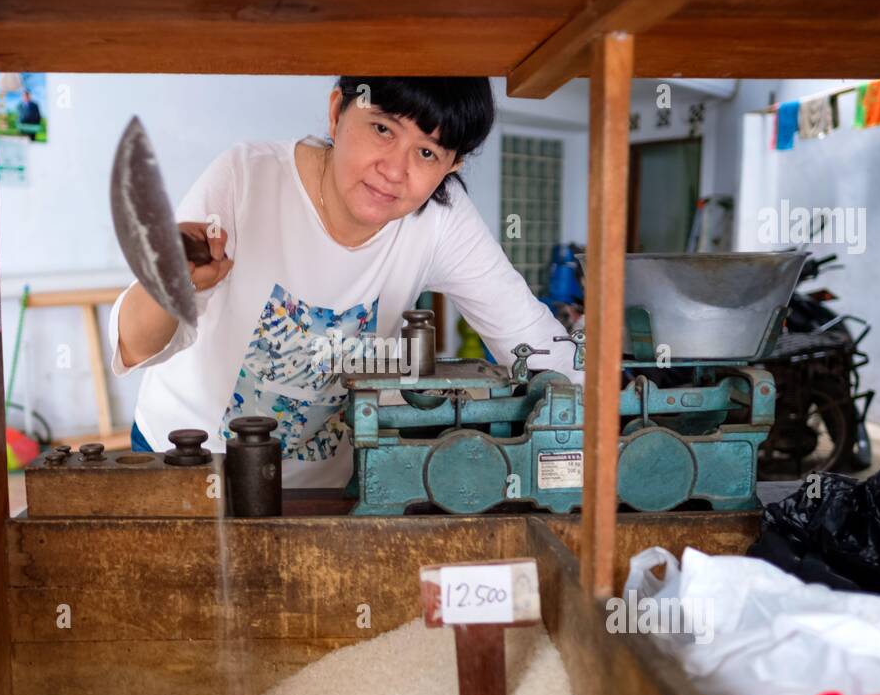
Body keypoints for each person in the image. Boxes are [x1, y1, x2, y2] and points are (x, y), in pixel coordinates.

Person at [109, 76, 582, 488]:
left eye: (426, 152)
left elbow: (540, 348)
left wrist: (618, 412)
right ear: (337, 112)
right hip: (188, 461)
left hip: (313, 488)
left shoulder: (441, 220)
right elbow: (134, 346)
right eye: (382, 129)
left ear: (450, 166)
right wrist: (167, 281)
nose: (394, 171)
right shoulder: (247, 176)